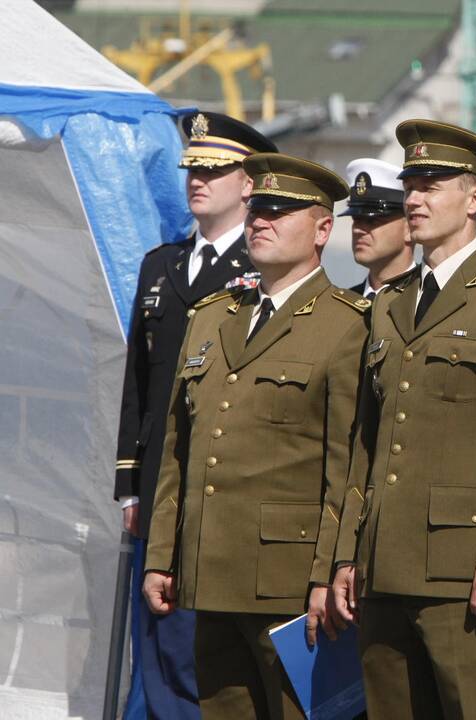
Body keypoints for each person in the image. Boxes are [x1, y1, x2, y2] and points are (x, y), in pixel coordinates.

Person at [329, 119, 476, 720]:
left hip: (464, 568)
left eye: (432, 184)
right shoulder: (389, 302)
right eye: (411, 184)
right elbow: (368, 442)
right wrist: (347, 552)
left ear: (474, 197)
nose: (413, 198)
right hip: (382, 565)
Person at [142, 152, 367, 720]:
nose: (260, 220)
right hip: (209, 573)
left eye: (281, 210)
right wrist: (162, 557)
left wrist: (329, 574)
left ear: (322, 229)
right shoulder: (214, 316)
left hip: (291, 586)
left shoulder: (348, 325)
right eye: (257, 208)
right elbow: (178, 450)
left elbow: (348, 470)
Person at [113, 110, 276, 719]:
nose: (198, 180)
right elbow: (139, 382)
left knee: (193, 653)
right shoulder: (161, 265)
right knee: (147, 642)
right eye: (193, 169)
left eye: (215, 169)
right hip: (156, 478)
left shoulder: (261, 270)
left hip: (217, 485)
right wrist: (128, 484)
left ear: (249, 183)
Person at [338, 157, 416, 299]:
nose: (358, 230)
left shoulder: (425, 299)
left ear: (409, 228)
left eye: (372, 221)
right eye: (356, 220)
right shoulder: (342, 306)